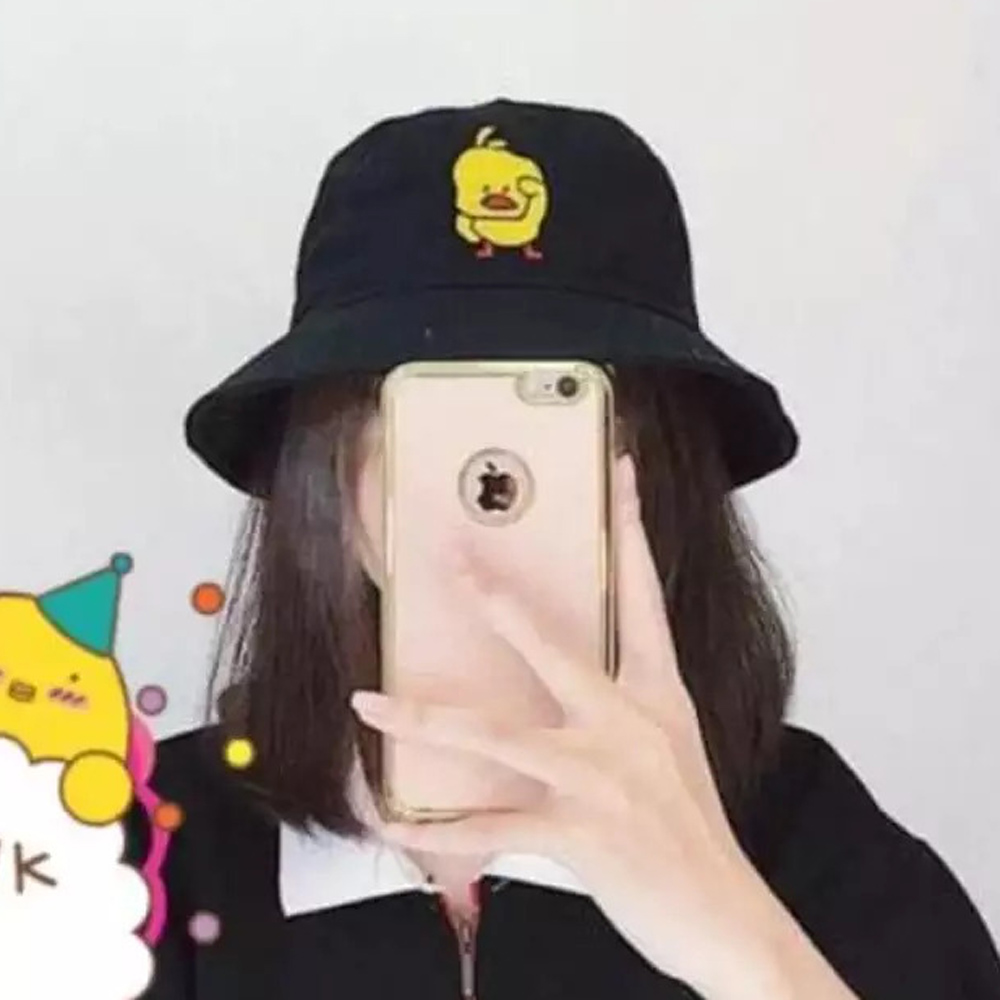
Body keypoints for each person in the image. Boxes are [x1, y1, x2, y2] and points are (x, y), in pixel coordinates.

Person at [129, 98, 1000, 999]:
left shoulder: (820, 845)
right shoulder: (138, 849)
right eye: (448, 446)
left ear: (663, 475)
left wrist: (739, 936)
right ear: (324, 479)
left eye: (554, 448)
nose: (494, 508)